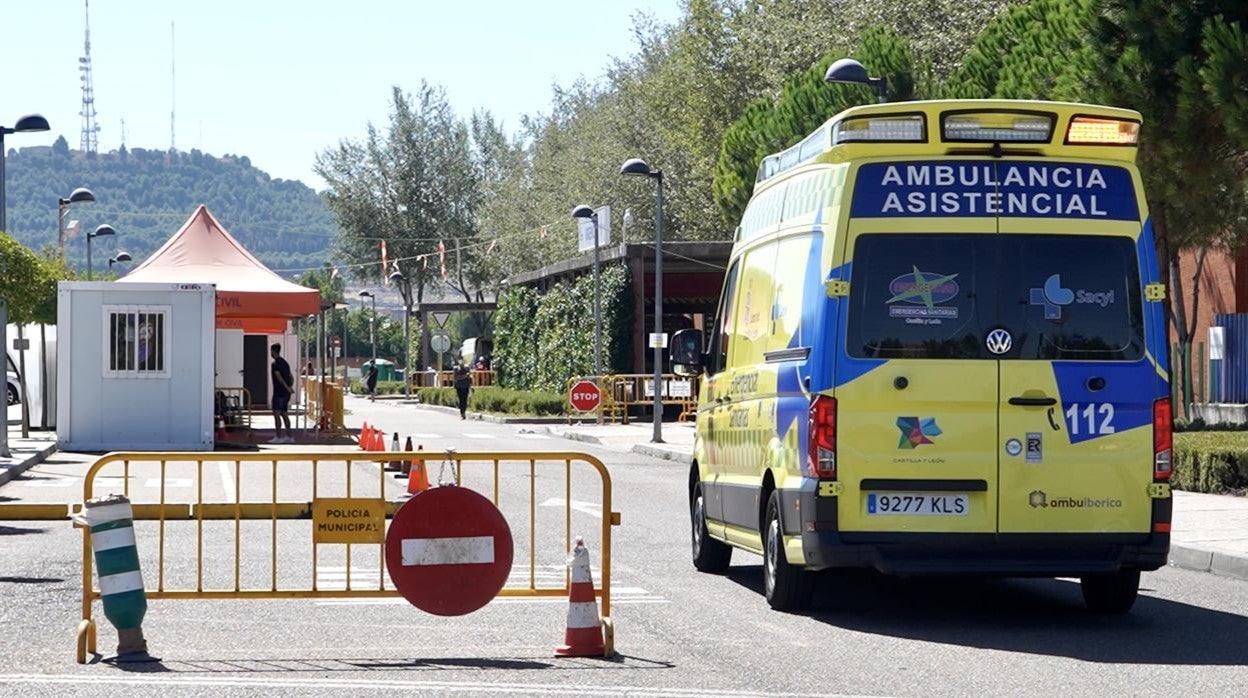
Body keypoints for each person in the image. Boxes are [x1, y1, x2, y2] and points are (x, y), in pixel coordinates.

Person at [269, 343, 295, 444]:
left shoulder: (275, 364)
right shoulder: (285, 363)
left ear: (273, 351)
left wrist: (286, 387)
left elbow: (278, 377)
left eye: (271, 351)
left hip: (279, 392)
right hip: (286, 394)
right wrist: (290, 387)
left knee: (276, 414)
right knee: (284, 413)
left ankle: (278, 437)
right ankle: (289, 436)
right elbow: (291, 376)